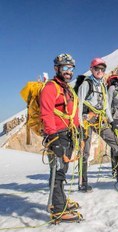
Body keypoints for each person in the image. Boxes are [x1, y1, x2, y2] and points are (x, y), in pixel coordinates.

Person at [77, 58, 118, 191]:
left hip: (99, 119)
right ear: (92, 69)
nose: (100, 71)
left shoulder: (101, 85)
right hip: (86, 120)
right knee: (85, 151)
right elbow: (78, 105)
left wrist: (111, 121)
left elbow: (106, 105)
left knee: (116, 144)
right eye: (97, 69)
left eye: (102, 69)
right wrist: (79, 124)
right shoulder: (86, 84)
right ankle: (82, 182)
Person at [40, 53, 82, 222]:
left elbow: (73, 111)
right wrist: (53, 138)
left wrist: (79, 129)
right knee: (57, 171)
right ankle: (58, 209)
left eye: (70, 68)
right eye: (65, 68)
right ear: (56, 68)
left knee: (62, 170)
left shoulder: (67, 89)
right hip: (57, 135)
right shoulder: (51, 87)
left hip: (68, 134)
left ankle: (60, 200)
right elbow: (46, 112)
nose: (68, 71)